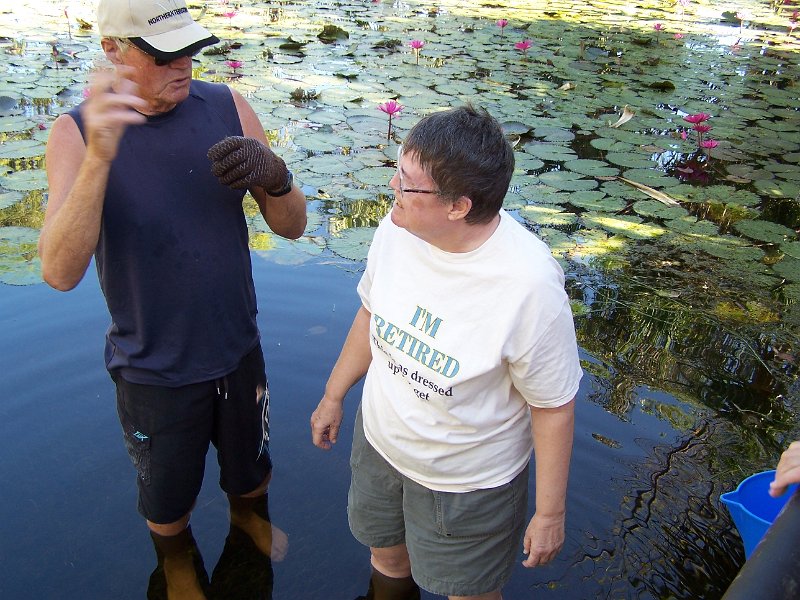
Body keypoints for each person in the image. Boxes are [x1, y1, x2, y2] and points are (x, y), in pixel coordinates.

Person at [38, 0, 306, 597]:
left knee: (251, 473)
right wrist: (101, 159)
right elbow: (59, 272)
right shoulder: (77, 133)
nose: (182, 64)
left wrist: (276, 177)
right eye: (162, 54)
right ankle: (178, 558)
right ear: (113, 50)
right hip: (153, 367)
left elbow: (292, 225)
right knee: (166, 501)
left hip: (238, 347)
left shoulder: (228, 107)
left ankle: (248, 522)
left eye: (190, 48)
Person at [310, 105, 583, 600]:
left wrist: (550, 513)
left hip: (467, 484)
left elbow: (553, 405)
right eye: (397, 170)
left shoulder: (529, 287)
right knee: (386, 557)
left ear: (458, 206)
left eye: (407, 182)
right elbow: (370, 313)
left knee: (468, 593)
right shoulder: (398, 228)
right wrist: (334, 395)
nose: (393, 187)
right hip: (381, 445)